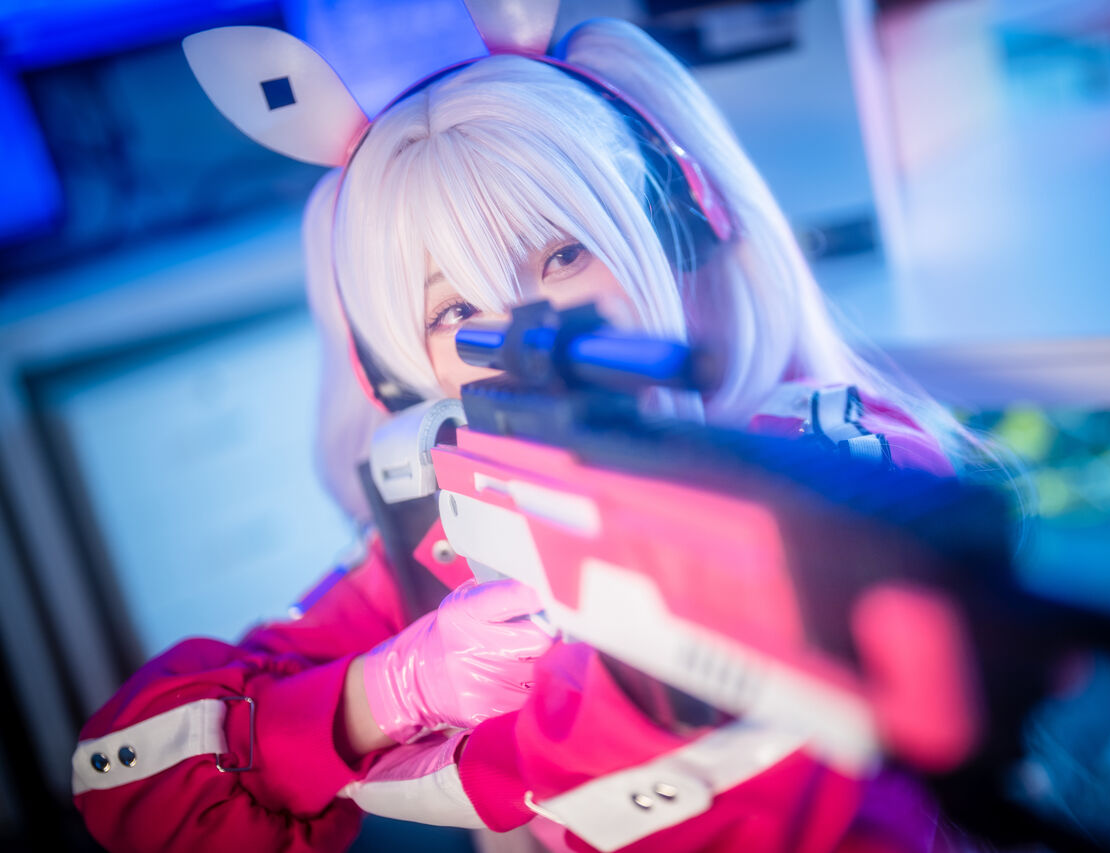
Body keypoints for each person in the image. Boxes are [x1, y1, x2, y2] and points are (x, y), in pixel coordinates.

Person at [73, 5, 1007, 852]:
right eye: (455, 313)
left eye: (563, 253)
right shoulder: (446, 524)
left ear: (669, 231)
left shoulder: (833, 457)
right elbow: (127, 784)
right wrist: (387, 691)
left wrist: (491, 744)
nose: (530, 325)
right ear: (402, 374)